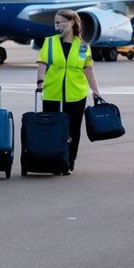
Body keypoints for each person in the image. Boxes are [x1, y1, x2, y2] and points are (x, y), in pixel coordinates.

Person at [35, 9, 102, 174]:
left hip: (76, 95)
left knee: (73, 131)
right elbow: (42, 63)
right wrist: (40, 82)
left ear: (71, 22)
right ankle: (53, 160)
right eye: (55, 23)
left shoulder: (83, 47)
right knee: (51, 129)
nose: (56, 26)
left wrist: (96, 90)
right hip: (52, 94)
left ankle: (69, 161)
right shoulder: (49, 42)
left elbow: (88, 70)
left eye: (60, 22)